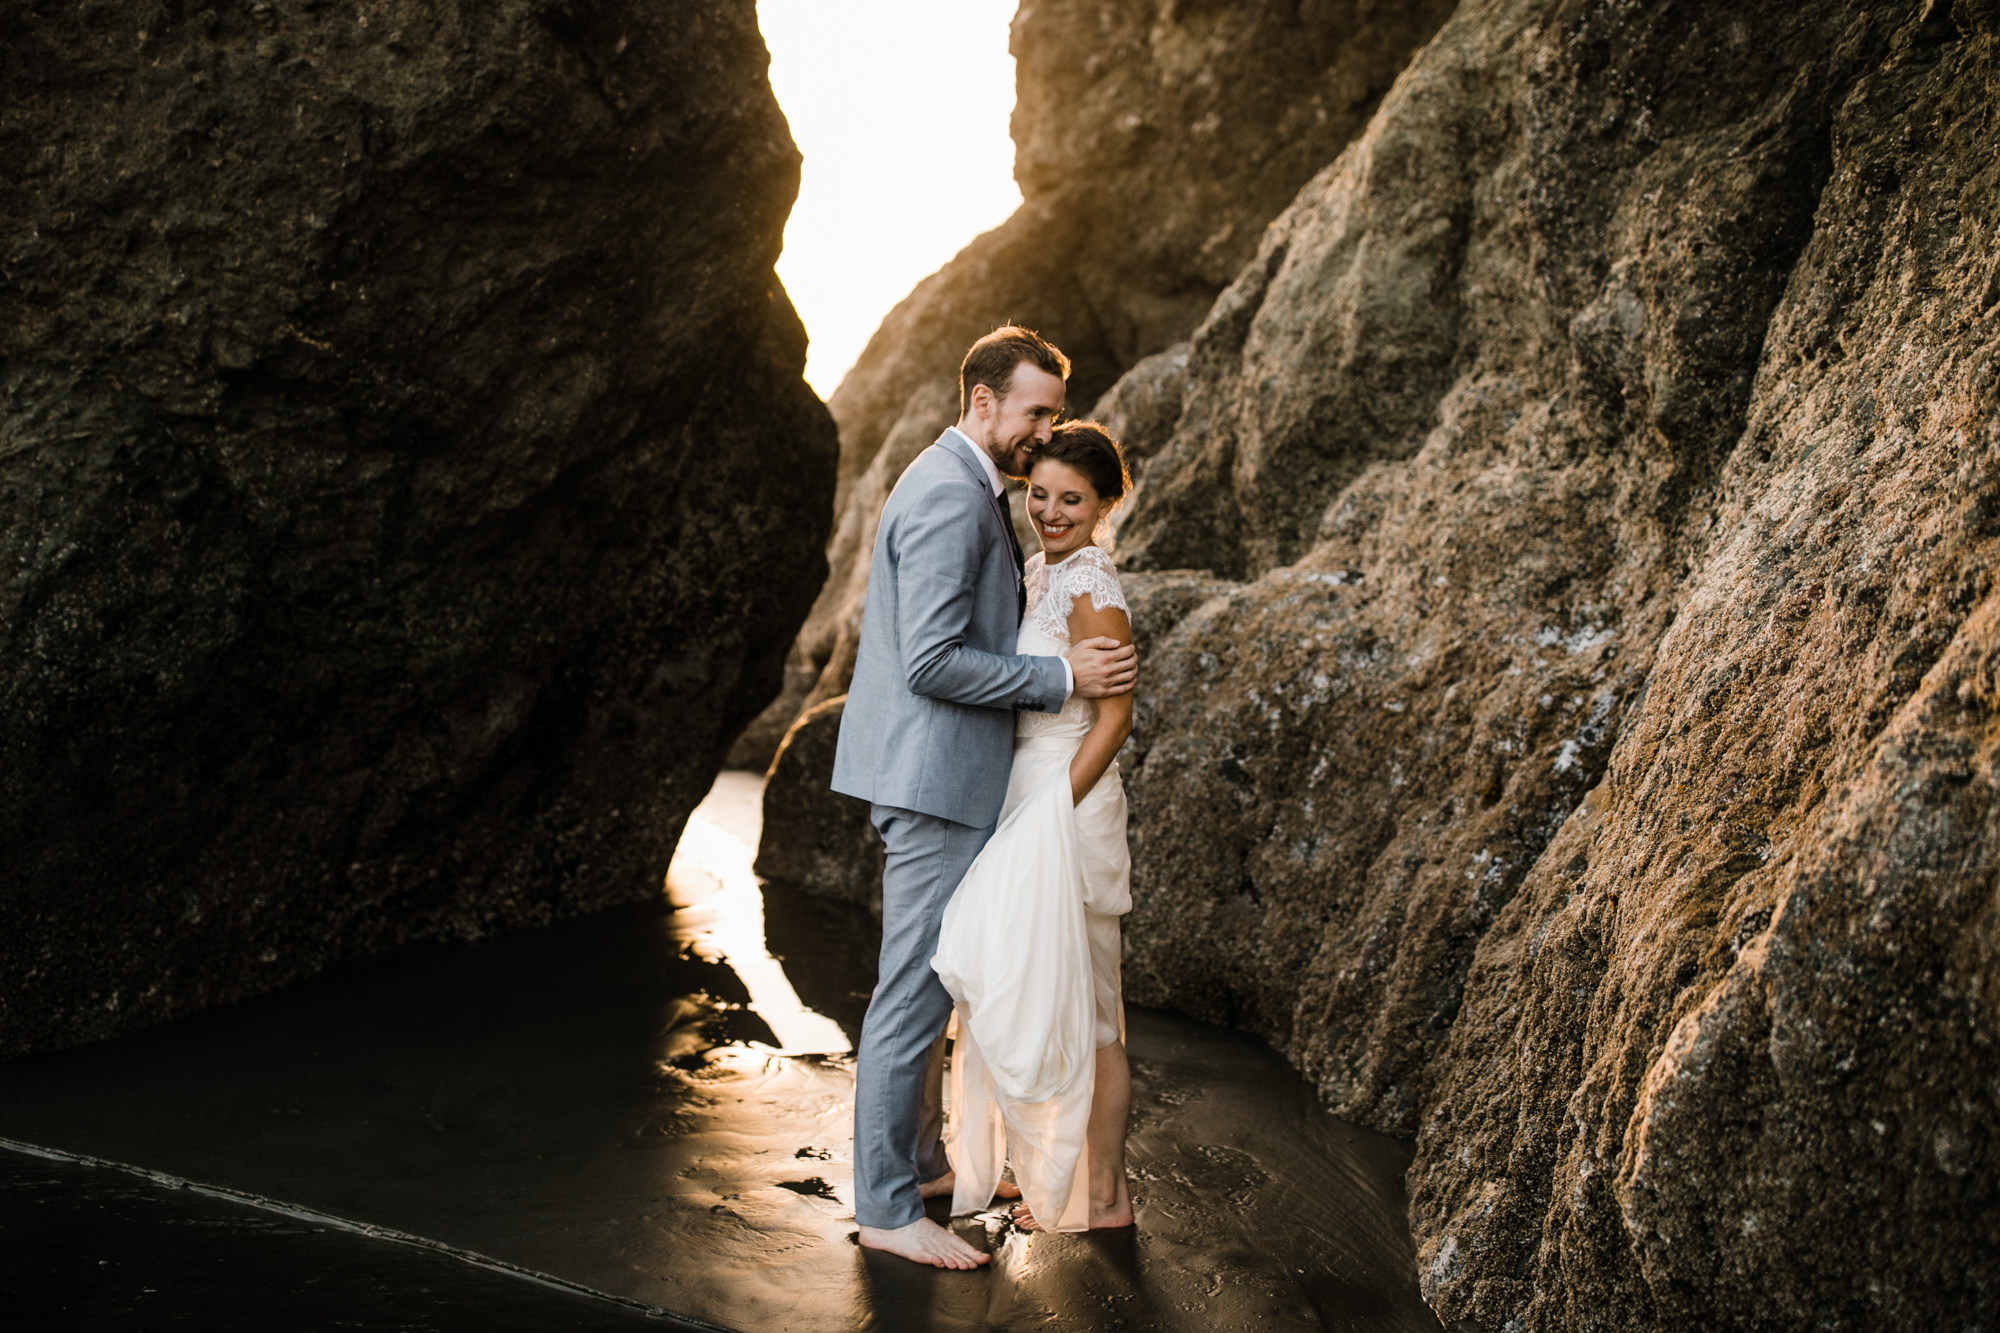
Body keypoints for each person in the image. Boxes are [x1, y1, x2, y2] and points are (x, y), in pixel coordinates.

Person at [830, 327, 1139, 1269]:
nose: (1045, 430)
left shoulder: (968, 489)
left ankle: (924, 1167)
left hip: (964, 780)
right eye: (1036, 410)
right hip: (932, 781)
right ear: (983, 402)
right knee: (912, 994)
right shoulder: (947, 495)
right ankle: (887, 1204)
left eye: (1052, 413)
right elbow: (928, 659)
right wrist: (1056, 680)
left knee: (937, 982)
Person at [932, 421, 1135, 1234]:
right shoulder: (1043, 567)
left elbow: (1114, 717)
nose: (1050, 512)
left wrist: (1052, 811)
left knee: (1091, 1009)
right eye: (1039, 493)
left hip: (1069, 804)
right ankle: (1057, 1176)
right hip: (1027, 795)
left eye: (1071, 499)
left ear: (1106, 502)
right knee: (1025, 984)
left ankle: (1108, 1196)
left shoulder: (1091, 579)